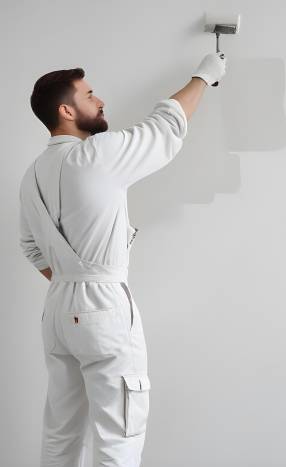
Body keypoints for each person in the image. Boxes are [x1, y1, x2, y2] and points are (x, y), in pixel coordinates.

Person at [18, 52, 227, 467]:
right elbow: (165, 126)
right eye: (90, 94)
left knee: (61, 434)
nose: (100, 101)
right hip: (103, 304)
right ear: (66, 110)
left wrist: (74, 284)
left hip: (58, 308)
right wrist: (205, 75)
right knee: (120, 435)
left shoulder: (34, 173)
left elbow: (31, 247)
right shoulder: (96, 155)